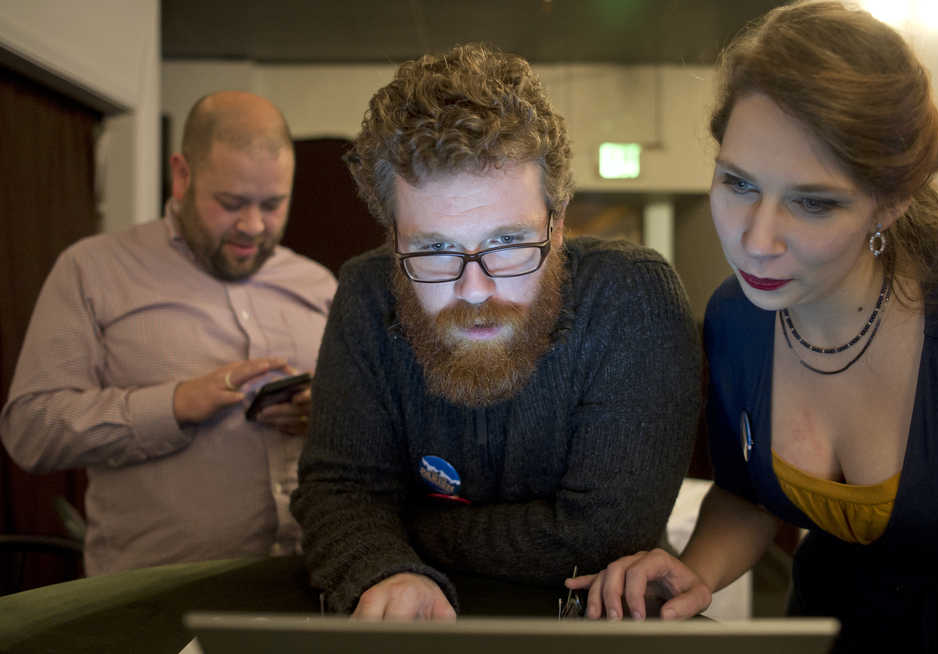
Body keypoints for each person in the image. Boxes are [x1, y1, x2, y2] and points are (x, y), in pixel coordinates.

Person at [566, 1, 938, 651]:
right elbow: (748, 496)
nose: (756, 241)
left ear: (892, 201)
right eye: (737, 183)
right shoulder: (737, 319)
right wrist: (694, 571)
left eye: (813, 203)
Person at [290, 43, 702, 620]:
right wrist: (387, 567)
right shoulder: (367, 293)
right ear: (393, 238)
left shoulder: (630, 297)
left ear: (557, 226)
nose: (476, 289)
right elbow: (337, 489)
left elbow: (601, 535)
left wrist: (404, 526)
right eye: (434, 250)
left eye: (508, 244)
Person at [0, 91, 338, 575]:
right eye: (230, 202)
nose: (253, 225)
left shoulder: (319, 283)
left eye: (273, 204)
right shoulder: (91, 270)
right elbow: (31, 430)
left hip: (308, 586)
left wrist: (322, 412)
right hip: (153, 605)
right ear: (182, 176)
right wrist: (175, 405)